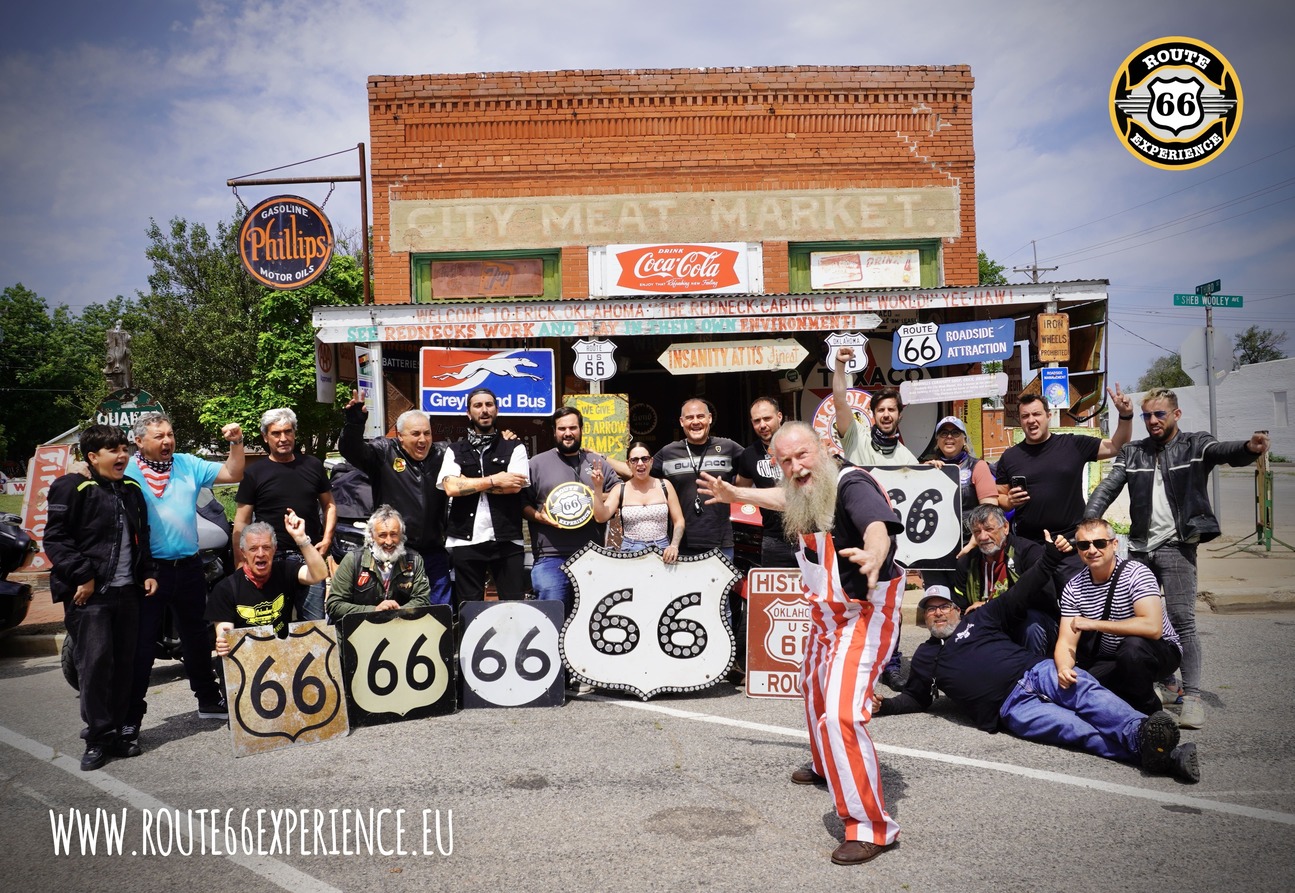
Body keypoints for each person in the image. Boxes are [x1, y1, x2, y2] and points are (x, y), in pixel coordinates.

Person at [875, 563, 1199, 784]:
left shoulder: (980, 618)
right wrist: (884, 706)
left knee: (1086, 692)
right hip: (1011, 708)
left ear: (957, 609)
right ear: (924, 619)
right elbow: (916, 696)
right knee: (1075, 730)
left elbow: (1022, 590)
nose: (937, 612)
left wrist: (1049, 557)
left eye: (943, 606)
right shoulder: (925, 656)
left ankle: (1141, 729)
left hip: (1035, 671)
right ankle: (1162, 755)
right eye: (930, 609)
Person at [1084, 388, 1268, 729]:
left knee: (1182, 619)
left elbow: (1223, 451)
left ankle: (1192, 697)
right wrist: (1089, 522)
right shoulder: (1133, 452)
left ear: (1176, 415)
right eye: (1148, 416)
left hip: (1177, 545)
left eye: (1160, 415)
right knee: (1141, 619)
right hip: (1140, 547)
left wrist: (1248, 448)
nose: (1153, 421)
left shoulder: (1195, 444)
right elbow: (1108, 487)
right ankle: (1167, 683)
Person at [773, 421, 906, 866]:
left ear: (826, 449)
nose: (795, 467)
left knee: (843, 713)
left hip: (866, 612)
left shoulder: (853, 484)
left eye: (802, 456)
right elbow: (781, 498)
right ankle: (825, 766)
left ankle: (871, 827)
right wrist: (738, 497)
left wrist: (874, 552)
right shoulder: (806, 490)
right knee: (812, 690)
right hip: (828, 614)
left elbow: (876, 525)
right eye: (785, 461)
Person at [123, 412, 243, 738]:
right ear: (139, 441)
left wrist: (236, 442)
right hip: (149, 572)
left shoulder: (187, 464)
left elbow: (233, 471)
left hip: (189, 566)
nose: (167, 441)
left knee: (196, 638)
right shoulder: (127, 470)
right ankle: (130, 719)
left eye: (170, 435)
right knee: (142, 646)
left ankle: (208, 700)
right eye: (159, 436)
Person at [45, 425, 158, 770]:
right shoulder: (72, 486)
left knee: (124, 665)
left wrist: (148, 572)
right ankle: (97, 738)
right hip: (90, 596)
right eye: (113, 450)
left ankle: (118, 734)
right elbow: (55, 539)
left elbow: (143, 536)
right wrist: (84, 576)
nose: (122, 455)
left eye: (124, 448)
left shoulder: (131, 489)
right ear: (93, 457)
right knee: (94, 667)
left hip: (128, 593)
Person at [994, 389, 1134, 591]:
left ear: (1048, 416)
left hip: (1070, 545)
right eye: (1025, 416)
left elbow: (1115, 446)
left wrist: (1125, 415)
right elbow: (999, 497)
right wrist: (1009, 501)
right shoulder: (1010, 457)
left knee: (1078, 604)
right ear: (1020, 421)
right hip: (1031, 546)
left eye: (1036, 414)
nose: (1031, 420)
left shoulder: (1072, 444)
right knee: (1037, 609)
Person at [1055, 517, 1182, 717]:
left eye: (1099, 543)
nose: (1092, 550)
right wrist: (1063, 669)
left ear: (1114, 544)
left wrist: (1094, 624)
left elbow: (1152, 628)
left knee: (1132, 648)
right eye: (1083, 545)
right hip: (1112, 658)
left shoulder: (1137, 573)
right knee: (1075, 688)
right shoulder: (1074, 587)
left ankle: (1151, 715)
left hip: (1158, 651)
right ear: (1078, 550)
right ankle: (1134, 695)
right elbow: (1066, 642)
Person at [341, 394, 452, 607]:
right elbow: (352, 450)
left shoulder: (442, 454)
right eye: (416, 434)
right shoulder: (384, 452)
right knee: (396, 611)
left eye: (427, 433)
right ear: (400, 436)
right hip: (395, 550)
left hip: (433, 551)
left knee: (441, 612)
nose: (423, 440)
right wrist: (354, 424)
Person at [234, 408, 336, 621]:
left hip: (308, 555)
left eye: (288, 432)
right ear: (265, 437)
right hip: (269, 560)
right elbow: (242, 522)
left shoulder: (313, 465)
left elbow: (329, 505)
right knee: (271, 625)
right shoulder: (254, 473)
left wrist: (327, 540)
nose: (283, 438)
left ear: (294, 433)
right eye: (276, 433)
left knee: (313, 626)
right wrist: (241, 563)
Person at [438, 388, 530, 607]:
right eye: (478, 406)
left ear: (496, 410)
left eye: (489, 405)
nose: (484, 410)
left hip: (507, 539)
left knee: (514, 606)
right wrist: (495, 480)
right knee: (469, 609)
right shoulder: (454, 450)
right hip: (465, 539)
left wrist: (467, 483)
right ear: (469, 413)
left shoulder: (514, 447)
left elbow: (514, 486)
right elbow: (450, 487)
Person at [524, 407, 620, 613]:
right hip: (550, 557)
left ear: (581, 429)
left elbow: (618, 489)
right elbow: (523, 505)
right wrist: (539, 517)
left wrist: (594, 496)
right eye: (562, 428)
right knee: (551, 617)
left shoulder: (596, 462)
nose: (567, 433)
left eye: (573, 427)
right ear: (554, 431)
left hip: (591, 555)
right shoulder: (536, 464)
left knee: (589, 618)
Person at [208, 512, 329, 653]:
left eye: (266, 547)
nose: (260, 554)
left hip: (282, 656)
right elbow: (225, 635)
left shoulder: (285, 571)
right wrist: (223, 644)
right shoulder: (225, 589)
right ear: (243, 553)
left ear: (274, 550)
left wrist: (301, 538)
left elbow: (320, 574)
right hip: (247, 658)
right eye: (253, 549)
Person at [953, 504, 1058, 656]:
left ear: (1006, 527)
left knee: (1031, 624)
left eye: (989, 529)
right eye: (977, 532)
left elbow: (1041, 598)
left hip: (1029, 621)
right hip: (987, 623)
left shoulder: (1028, 552)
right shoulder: (967, 562)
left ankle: (1033, 673)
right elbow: (961, 607)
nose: (983, 537)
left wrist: (989, 606)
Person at [651, 398, 744, 560]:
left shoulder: (728, 447)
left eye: (700, 416)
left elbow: (754, 464)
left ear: (710, 418)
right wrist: (601, 458)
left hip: (721, 544)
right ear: (681, 422)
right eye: (689, 418)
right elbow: (639, 471)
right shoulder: (668, 452)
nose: (695, 422)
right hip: (680, 545)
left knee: (722, 587)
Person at [327, 506, 431, 621]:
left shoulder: (414, 560)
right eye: (382, 535)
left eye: (394, 534)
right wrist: (375, 611)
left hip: (401, 627)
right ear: (371, 536)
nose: (389, 542)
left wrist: (398, 611)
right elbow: (334, 606)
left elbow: (423, 600)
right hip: (360, 630)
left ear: (401, 535)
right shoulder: (353, 560)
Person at [592, 441, 684, 562]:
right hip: (630, 551)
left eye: (644, 459)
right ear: (628, 464)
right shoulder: (621, 489)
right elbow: (600, 517)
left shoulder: (665, 486)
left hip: (662, 550)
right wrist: (598, 487)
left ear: (651, 461)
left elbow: (679, 521)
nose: (640, 464)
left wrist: (674, 545)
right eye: (634, 460)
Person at [735, 396, 797, 568]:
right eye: (757, 421)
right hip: (773, 538)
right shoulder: (749, 455)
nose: (762, 425)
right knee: (776, 594)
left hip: (809, 535)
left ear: (779, 416)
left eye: (767, 418)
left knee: (815, 593)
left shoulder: (800, 445)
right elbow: (741, 490)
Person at [831, 346, 917, 466]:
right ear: (873, 414)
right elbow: (839, 402)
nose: (886, 415)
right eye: (881, 410)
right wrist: (840, 364)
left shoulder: (908, 458)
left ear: (900, 415)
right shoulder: (856, 437)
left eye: (891, 410)